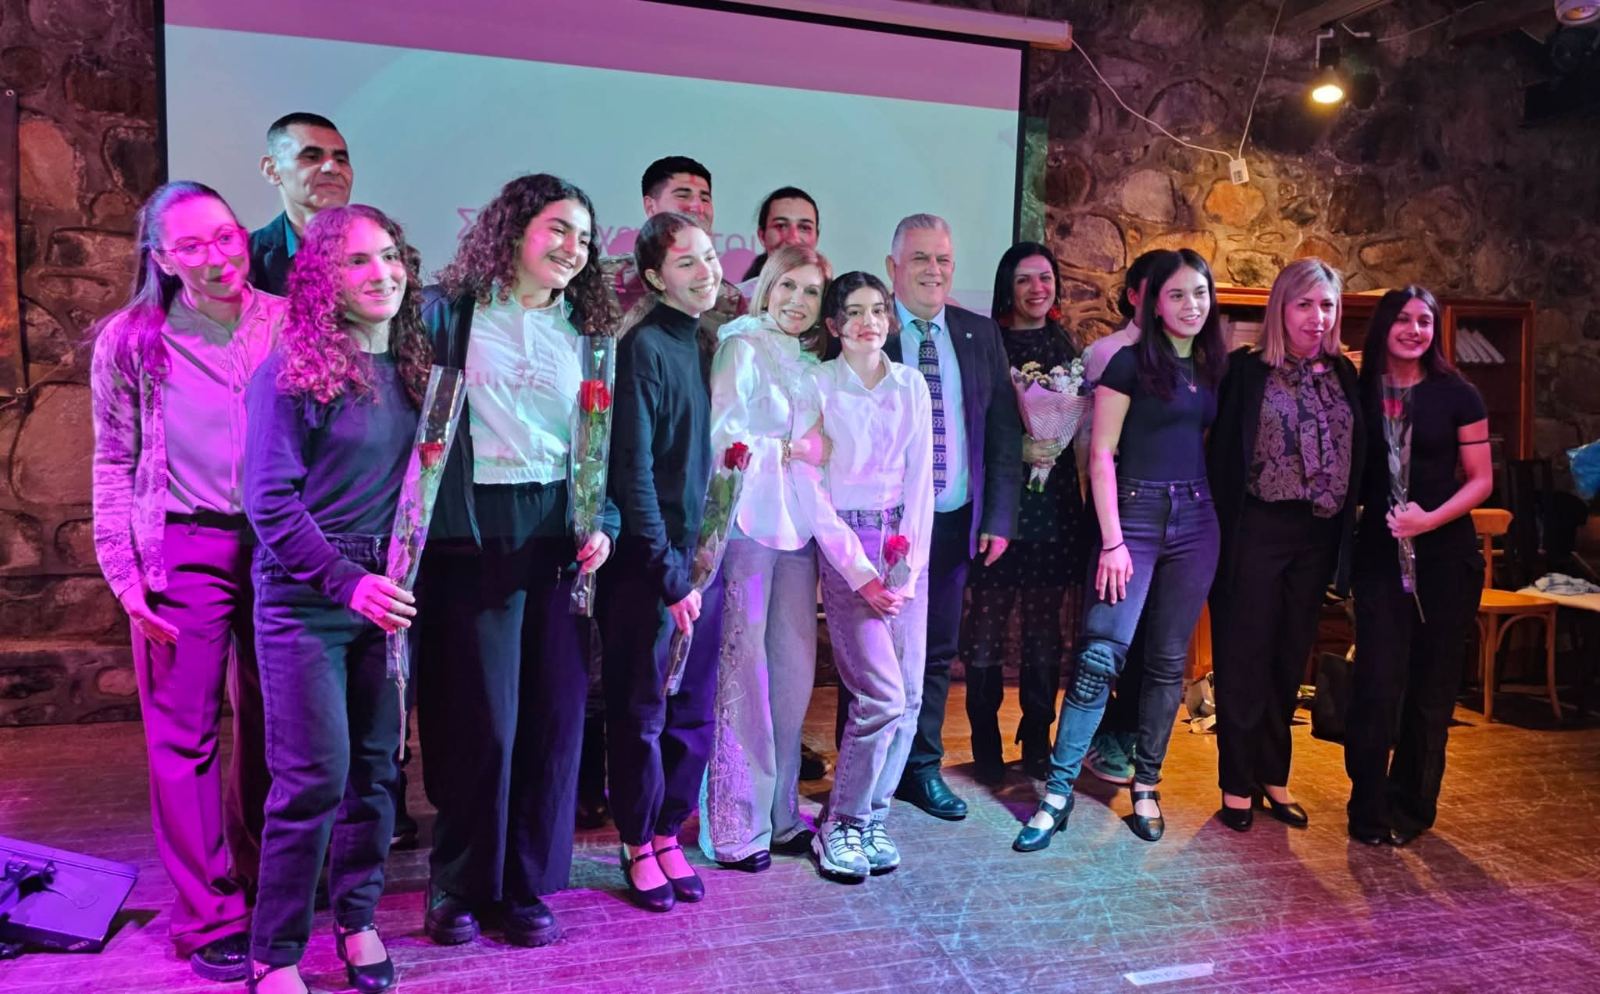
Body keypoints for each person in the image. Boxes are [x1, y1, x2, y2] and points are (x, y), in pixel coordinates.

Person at [414, 174, 621, 948]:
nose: (573, 248)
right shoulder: (450, 313)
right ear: (513, 230)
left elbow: (598, 447)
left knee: (551, 720)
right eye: (558, 229)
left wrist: (603, 521)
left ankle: (526, 883)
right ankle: (459, 880)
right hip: (471, 532)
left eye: (584, 238)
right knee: (481, 722)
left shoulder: (588, 333)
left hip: (557, 537)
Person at [89, 180, 279, 983]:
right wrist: (123, 572)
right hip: (181, 545)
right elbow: (113, 458)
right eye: (192, 245)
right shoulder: (131, 339)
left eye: (226, 237)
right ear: (162, 258)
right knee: (184, 734)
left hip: (279, 546)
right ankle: (209, 915)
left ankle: (269, 878)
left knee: (276, 722)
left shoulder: (287, 322)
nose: (216, 257)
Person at [243, 205, 431, 994]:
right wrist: (346, 582)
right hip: (308, 596)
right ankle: (275, 952)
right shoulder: (289, 373)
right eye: (357, 261)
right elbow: (268, 501)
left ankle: (357, 921)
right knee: (313, 779)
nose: (381, 273)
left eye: (389, 256)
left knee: (377, 775)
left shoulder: (415, 369)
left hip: (387, 593)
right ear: (323, 278)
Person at [1014, 248, 1224, 852]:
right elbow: (1101, 454)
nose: (1191, 305)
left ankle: (1147, 785)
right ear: (1153, 303)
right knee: (1099, 657)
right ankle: (1057, 794)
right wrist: (1112, 541)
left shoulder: (1211, 365)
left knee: (1166, 663)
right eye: (1177, 294)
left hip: (1197, 519)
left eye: (1200, 294)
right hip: (1133, 514)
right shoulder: (1129, 363)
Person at [1207, 258, 1364, 832]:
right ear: (1281, 308)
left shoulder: (1344, 374)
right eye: (1304, 304)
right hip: (1257, 529)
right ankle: (1236, 782)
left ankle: (1274, 776)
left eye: (1327, 305)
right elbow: (1220, 455)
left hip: (1317, 535)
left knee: (1289, 657)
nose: (1316, 317)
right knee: (1243, 657)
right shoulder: (1246, 371)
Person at [601, 210, 727, 912]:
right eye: (687, 262)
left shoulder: (706, 343)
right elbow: (635, 474)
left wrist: (698, 567)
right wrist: (669, 576)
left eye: (709, 256)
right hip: (650, 570)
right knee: (642, 713)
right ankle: (636, 840)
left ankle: (669, 830)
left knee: (693, 710)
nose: (706, 271)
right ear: (654, 277)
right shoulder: (643, 346)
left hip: (698, 565)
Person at [794, 271, 933, 880]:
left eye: (878, 309)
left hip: (904, 541)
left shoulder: (910, 385)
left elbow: (921, 481)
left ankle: (872, 815)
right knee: (880, 696)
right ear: (833, 324)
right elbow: (810, 486)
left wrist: (908, 570)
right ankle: (840, 824)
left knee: (910, 697)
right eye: (854, 311)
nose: (868, 321)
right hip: (848, 544)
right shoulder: (819, 384)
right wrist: (859, 572)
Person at [884, 213, 1022, 822]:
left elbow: (1002, 430)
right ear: (893, 267)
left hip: (953, 518)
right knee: (876, 653)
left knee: (937, 652)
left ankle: (921, 769)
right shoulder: (872, 327)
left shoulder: (978, 333)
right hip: (884, 528)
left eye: (942, 259)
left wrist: (998, 516)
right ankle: (868, 772)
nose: (933, 270)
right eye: (920, 258)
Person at [698, 245, 833, 872]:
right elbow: (723, 437)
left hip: (798, 530)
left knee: (792, 673)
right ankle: (736, 824)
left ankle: (781, 815)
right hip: (749, 524)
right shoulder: (741, 345)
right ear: (766, 287)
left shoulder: (805, 361)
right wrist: (789, 448)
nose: (798, 301)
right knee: (744, 673)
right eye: (789, 286)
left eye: (811, 292)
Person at [1344, 286, 1491, 847]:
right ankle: (1367, 806)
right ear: (1383, 325)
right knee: (1377, 683)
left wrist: (1428, 520)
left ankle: (1412, 807)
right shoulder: (1357, 388)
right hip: (1379, 556)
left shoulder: (1458, 394)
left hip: (1446, 557)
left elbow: (1480, 480)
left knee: (1431, 690)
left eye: (1425, 321)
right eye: (1403, 319)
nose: (1414, 330)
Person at [961, 242, 1088, 783]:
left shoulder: (1066, 343)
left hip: (1054, 506)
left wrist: (1054, 443)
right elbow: (976, 422)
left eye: (1045, 278)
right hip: (1002, 504)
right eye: (1024, 280)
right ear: (1006, 288)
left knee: (1044, 630)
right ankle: (984, 742)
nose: (1038, 289)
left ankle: (1037, 737)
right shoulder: (988, 341)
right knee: (986, 624)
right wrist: (1021, 447)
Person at [1079, 249, 1164, 786]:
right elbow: (1090, 441)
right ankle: (1090, 736)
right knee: (1105, 634)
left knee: (1152, 634)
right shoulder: (1106, 353)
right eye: (1158, 291)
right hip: (1112, 510)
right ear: (1134, 295)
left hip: (1167, 518)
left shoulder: (1186, 356)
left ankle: (1125, 731)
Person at [603, 155, 746, 343]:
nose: (697, 207)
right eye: (683, 196)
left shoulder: (729, 301)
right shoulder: (601, 280)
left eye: (705, 198)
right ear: (650, 206)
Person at [248, 113, 353, 296]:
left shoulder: (384, 249)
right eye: (312, 157)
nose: (333, 168)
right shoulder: (244, 258)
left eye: (341, 160)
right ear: (272, 170)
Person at [739, 186, 821, 284]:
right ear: (762, 236)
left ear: (817, 237)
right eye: (781, 226)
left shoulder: (834, 293)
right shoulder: (739, 294)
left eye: (804, 228)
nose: (792, 239)